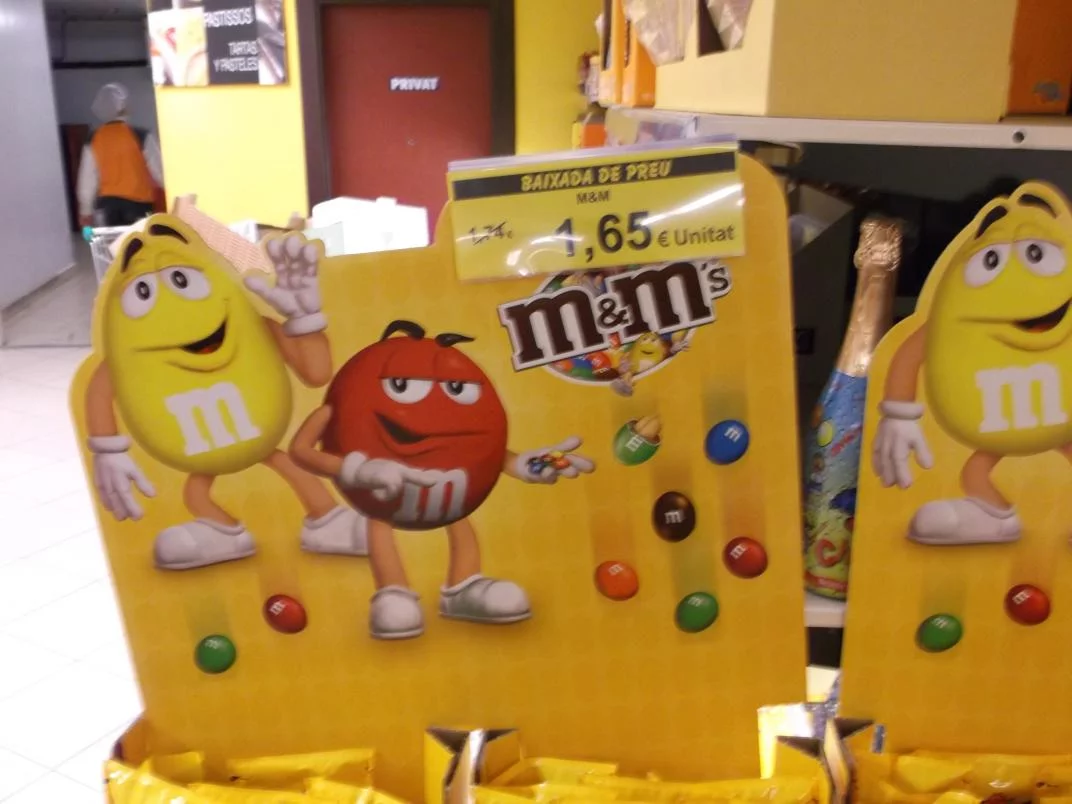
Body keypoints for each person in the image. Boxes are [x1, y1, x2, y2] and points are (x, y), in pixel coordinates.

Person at [77, 83, 164, 228]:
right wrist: (175, 195)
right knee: (138, 242)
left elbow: (87, 179)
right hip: (139, 206)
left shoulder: (94, 139)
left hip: (107, 207)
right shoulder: (140, 135)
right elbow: (160, 171)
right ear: (124, 108)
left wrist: (85, 211)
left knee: (112, 242)